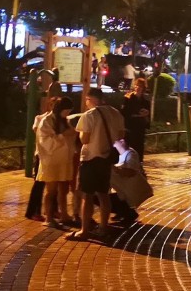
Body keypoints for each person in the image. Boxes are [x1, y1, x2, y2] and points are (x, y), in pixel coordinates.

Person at [69, 90, 124, 242]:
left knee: (87, 195)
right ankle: (103, 227)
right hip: (107, 158)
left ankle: (84, 230)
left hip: (91, 159)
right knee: (104, 194)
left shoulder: (89, 115)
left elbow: (85, 139)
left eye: (87, 100)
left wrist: (80, 134)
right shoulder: (115, 113)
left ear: (90, 99)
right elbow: (120, 135)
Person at [34, 96, 77, 228]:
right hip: (51, 160)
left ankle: (64, 214)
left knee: (63, 188)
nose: (67, 113)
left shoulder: (64, 121)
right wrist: (64, 135)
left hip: (64, 159)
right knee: (51, 190)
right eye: (66, 111)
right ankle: (49, 217)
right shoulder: (46, 121)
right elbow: (45, 140)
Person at [121, 77, 151, 161]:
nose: (138, 88)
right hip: (130, 128)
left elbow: (148, 116)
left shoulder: (145, 101)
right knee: (130, 149)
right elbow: (124, 113)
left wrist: (146, 115)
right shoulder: (128, 98)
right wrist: (137, 115)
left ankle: (139, 165)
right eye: (136, 86)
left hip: (140, 129)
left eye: (140, 86)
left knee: (139, 148)